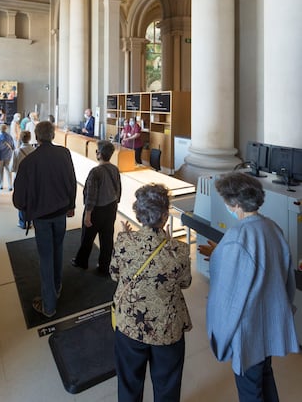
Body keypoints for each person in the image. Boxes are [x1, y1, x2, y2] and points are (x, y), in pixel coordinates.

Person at [198, 172, 299, 402]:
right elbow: (285, 280)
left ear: (235, 203)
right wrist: (222, 253)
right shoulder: (273, 228)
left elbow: (227, 298)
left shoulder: (237, 237)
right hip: (268, 323)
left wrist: (220, 340)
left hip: (248, 332)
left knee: (250, 391)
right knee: (266, 378)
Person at [110, 184, 192, 402]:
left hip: (129, 326)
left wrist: (128, 239)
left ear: (138, 213)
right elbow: (185, 283)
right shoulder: (180, 251)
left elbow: (114, 274)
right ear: (165, 216)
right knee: (167, 386)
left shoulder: (123, 242)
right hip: (167, 329)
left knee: (129, 384)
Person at [13, 121, 77, 318]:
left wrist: (25, 211)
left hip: (41, 217)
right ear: (53, 135)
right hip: (60, 213)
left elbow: (19, 197)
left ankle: (49, 305)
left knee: (46, 258)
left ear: (37, 137)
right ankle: (56, 287)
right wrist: (71, 205)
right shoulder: (64, 154)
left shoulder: (30, 161)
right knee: (58, 250)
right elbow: (71, 181)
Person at [71, 140, 121, 275]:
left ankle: (81, 261)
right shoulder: (114, 169)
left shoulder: (95, 171)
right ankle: (104, 266)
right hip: (111, 208)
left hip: (96, 210)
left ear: (99, 154)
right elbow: (118, 190)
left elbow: (91, 195)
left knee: (87, 237)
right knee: (107, 239)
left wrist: (88, 214)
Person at [10, 131, 35, 229]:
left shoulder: (17, 151)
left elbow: (12, 168)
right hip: (32, 179)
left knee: (22, 200)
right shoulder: (34, 150)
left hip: (20, 179)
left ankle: (22, 222)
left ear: (20, 138)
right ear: (29, 138)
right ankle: (31, 220)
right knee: (31, 199)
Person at [0, 123, 15, 191]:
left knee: (0, 171)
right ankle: (10, 185)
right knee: (8, 171)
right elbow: (13, 146)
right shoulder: (9, 136)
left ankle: (0, 185)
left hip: (1, 157)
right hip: (8, 156)